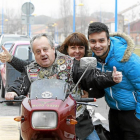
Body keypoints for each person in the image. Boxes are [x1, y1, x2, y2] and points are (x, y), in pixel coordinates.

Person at [1, 33, 122, 140]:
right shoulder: (30, 69)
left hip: (74, 119)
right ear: (34, 54)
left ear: (53, 48)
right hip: (40, 119)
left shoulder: (70, 64)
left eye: (45, 49)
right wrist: (13, 92)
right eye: (38, 51)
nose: (43, 53)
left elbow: (91, 76)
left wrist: (111, 77)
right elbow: (20, 83)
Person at [88, 22, 140, 140]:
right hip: (114, 113)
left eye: (101, 41)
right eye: (93, 41)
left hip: (133, 114)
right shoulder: (93, 60)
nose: (97, 45)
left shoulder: (127, 59)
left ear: (108, 40)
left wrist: (138, 116)